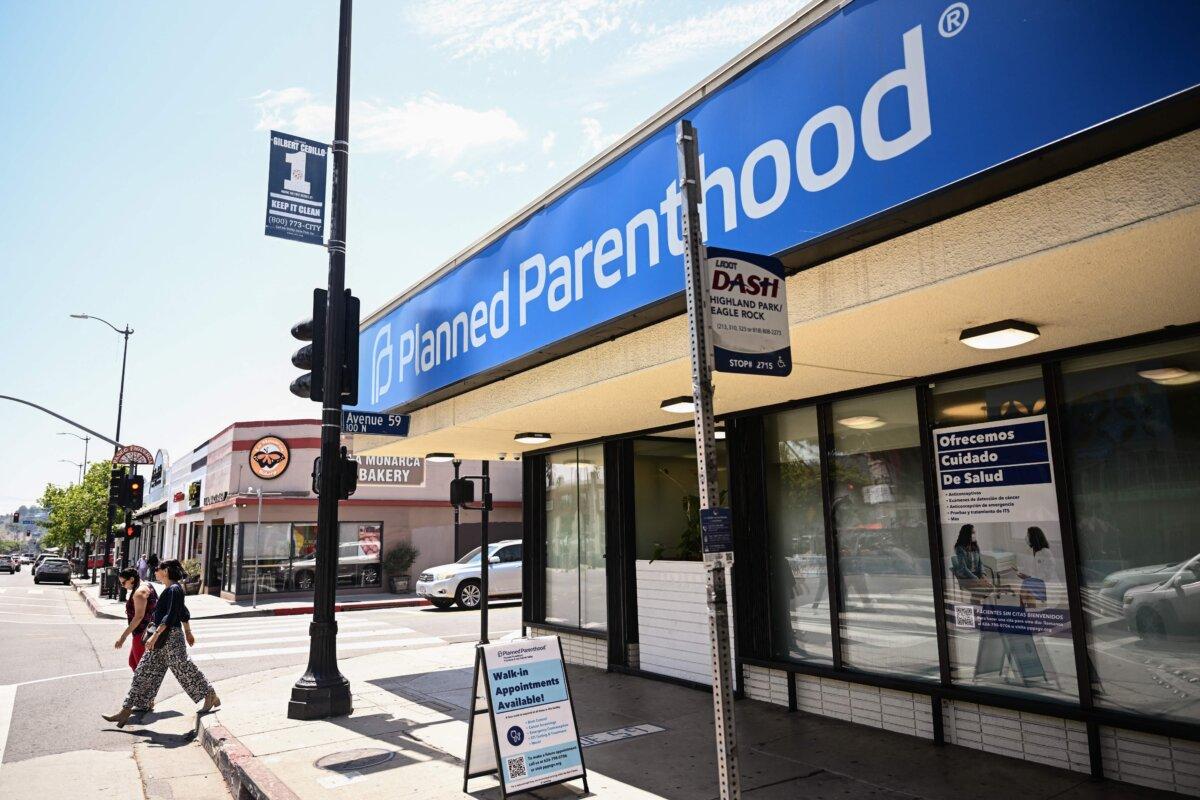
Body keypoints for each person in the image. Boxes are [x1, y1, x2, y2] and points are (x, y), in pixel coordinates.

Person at [102, 560, 219, 728]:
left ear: (165, 571)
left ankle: (210, 694)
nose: (154, 572)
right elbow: (183, 612)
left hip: (170, 637)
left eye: (157, 569)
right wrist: (188, 631)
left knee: (183, 668)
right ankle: (125, 710)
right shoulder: (169, 589)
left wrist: (157, 636)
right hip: (161, 638)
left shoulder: (174, 589)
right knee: (143, 671)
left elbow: (172, 615)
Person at [114, 567, 158, 673]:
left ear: (132, 579)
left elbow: (138, 617)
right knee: (133, 662)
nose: (123, 586)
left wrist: (123, 637)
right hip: (146, 631)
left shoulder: (140, 592)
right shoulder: (146, 585)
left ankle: (143, 688)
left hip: (142, 633)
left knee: (140, 666)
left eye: (124, 583)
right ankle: (141, 687)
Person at [951, 524, 990, 604]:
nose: (974, 535)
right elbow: (964, 569)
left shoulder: (975, 546)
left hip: (977, 575)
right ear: (966, 534)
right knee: (979, 591)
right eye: (972, 533)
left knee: (991, 588)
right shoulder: (960, 548)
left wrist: (983, 575)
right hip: (965, 577)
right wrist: (978, 580)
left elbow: (980, 563)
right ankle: (976, 608)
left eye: (974, 533)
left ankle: (976, 603)